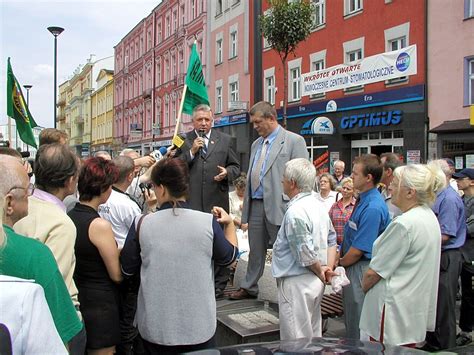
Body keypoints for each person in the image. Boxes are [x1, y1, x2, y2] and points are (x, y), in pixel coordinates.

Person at [120, 158, 238, 353]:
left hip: (155, 329)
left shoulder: (141, 224)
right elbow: (230, 257)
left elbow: (127, 269)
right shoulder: (207, 222)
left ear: (162, 189)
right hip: (199, 329)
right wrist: (230, 224)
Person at [0, 156, 83, 347]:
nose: (31, 194)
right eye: (27, 188)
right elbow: (61, 328)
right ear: (9, 203)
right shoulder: (34, 254)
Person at [230, 101, 308, 300]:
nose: (255, 127)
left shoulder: (293, 141)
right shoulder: (257, 144)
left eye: (258, 122)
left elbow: (302, 175)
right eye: (253, 123)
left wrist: (297, 205)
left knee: (286, 250)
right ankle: (249, 287)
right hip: (256, 204)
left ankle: (290, 290)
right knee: (256, 249)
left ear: (271, 119)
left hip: (281, 205)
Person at [360, 164, 445, 346]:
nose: (389, 186)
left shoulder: (404, 224)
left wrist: (364, 287)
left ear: (410, 193)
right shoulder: (428, 217)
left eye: (395, 183)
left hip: (392, 312)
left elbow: (374, 273)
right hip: (412, 309)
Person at [176, 104, 240, 297]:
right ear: (193, 121)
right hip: (191, 202)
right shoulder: (182, 140)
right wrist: (191, 153)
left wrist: (227, 173)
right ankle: (194, 281)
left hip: (216, 202)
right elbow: (175, 167)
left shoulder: (226, 140)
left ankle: (219, 285)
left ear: (212, 121)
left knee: (218, 242)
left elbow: (236, 167)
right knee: (193, 245)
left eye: (207, 119)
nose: (203, 123)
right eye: (199, 119)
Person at [272, 158, 337, 340]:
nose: (281, 181)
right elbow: (332, 239)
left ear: (292, 183)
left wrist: (321, 271)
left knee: (296, 339)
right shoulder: (318, 206)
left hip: (298, 281)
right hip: (314, 279)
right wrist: (327, 268)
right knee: (312, 335)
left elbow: (304, 254)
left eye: (284, 177)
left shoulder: (296, 212)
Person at [68, 157, 123, 354]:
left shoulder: (70, 216)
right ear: (103, 188)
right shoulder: (99, 225)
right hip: (100, 306)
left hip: (79, 298)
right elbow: (116, 274)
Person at [339, 154, 390, 340]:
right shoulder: (364, 199)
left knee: (358, 322)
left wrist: (339, 262)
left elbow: (358, 250)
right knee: (352, 317)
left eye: (355, 173)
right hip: (354, 266)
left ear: (368, 178)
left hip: (360, 268)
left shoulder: (373, 207)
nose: (351, 177)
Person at [98, 156, 144, 354]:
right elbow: (140, 232)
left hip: (102, 264)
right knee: (127, 319)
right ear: (131, 176)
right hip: (125, 266)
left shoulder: (102, 197)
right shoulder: (128, 205)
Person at [421, 159, 466, 351]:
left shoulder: (448, 199)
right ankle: (434, 342)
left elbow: (445, 234)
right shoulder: (438, 196)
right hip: (438, 254)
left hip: (447, 256)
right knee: (435, 303)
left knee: (444, 306)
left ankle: (446, 347)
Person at [453, 168, 474, 346]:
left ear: (472, 181)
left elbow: (468, 228)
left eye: (462, 179)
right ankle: (464, 329)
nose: (458, 181)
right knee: (464, 293)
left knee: (470, 294)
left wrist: (454, 228)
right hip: (459, 254)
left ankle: (467, 331)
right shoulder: (459, 200)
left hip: (470, 255)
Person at [329, 177, 356, 246]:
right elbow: (328, 224)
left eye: (348, 189)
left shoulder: (356, 206)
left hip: (350, 245)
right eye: (343, 188)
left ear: (353, 191)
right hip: (335, 245)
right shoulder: (335, 206)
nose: (345, 190)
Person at [379, 153, 403, 218]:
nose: (376, 171)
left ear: (388, 171)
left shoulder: (402, 196)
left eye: (379, 168)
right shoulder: (381, 191)